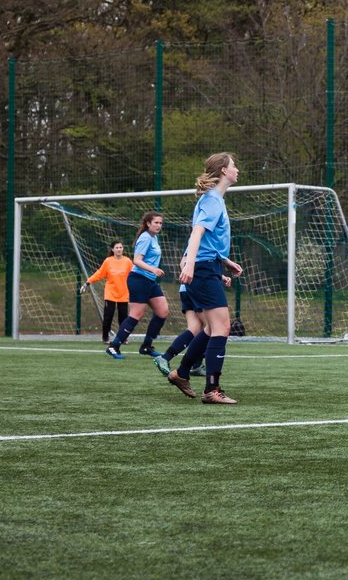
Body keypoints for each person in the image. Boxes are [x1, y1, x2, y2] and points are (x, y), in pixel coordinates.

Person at [172, 153, 245, 404]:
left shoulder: (214, 200)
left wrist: (223, 262)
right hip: (202, 268)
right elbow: (197, 233)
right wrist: (190, 264)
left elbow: (207, 241)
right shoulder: (213, 200)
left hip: (208, 266)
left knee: (209, 328)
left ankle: (181, 373)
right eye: (234, 166)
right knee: (221, 327)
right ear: (224, 170)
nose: (237, 170)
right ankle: (211, 390)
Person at [152, 255, 229, 391]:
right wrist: (190, 278)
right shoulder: (199, 237)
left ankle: (169, 359)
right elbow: (185, 262)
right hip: (194, 288)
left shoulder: (205, 245)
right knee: (213, 329)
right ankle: (194, 369)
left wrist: (221, 276)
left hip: (189, 289)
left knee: (196, 328)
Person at [104, 212, 170, 360]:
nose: (159, 225)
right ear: (148, 224)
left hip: (150, 281)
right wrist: (153, 269)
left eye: (160, 223)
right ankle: (114, 346)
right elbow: (137, 260)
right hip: (139, 279)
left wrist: (153, 272)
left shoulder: (154, 237)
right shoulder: (146, 237)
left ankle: (146, 346)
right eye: (156, 223)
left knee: (162, 312)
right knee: (136, 314)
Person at [80, 241, 132, 344]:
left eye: (120, 247)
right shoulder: (108, 261)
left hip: (123, 293)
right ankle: (105, 338)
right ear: (112, 249)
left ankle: (123, 338)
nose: (119, 249)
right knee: (108, 316)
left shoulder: (127, 262)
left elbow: (134, 274)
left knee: (123, 317)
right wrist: (87, 282)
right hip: (110, 293)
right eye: (116, 247)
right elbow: (99, 274)